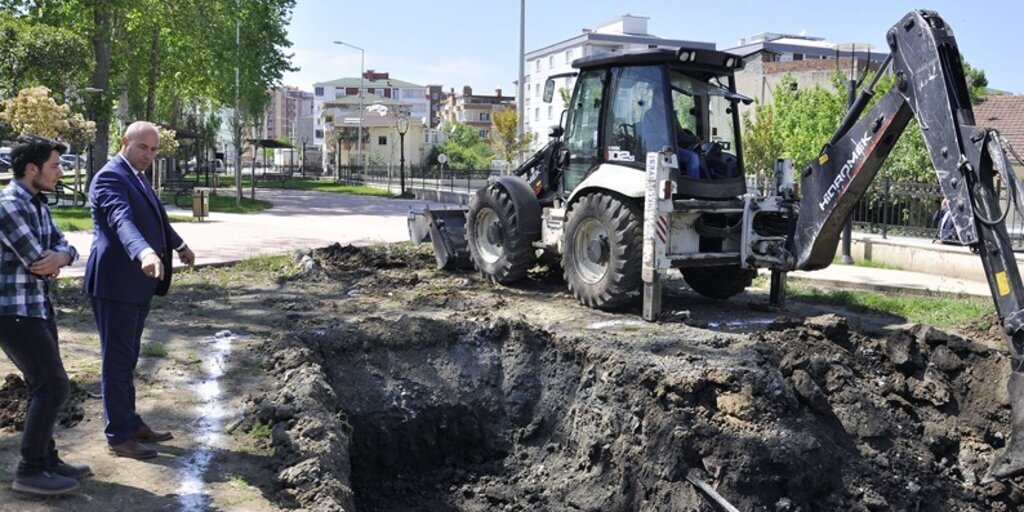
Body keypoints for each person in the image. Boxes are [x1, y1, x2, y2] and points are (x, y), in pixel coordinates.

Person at [86, 121, 195, 460]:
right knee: (117, 361)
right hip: (116, 282)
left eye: (153, 150)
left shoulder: (136, 175)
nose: (148, 155)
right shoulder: (110, 177)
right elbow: (122, 221)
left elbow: (156, 216)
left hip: (138, 285)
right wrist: (144, 251)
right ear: (125, 142)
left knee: (128, 357)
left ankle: (130, 423)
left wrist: (179, 244)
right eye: (142, 148)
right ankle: (119, 435)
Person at [0, 137, 90, 495]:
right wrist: (57, 257)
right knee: (51, 385)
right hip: (13, 311)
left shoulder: (37, 204)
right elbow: (38, 261)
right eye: (55, 166)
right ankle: (30, 470)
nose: (61, 172)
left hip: (37, 307)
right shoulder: (8, 205)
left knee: (49, 384)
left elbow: (65, 246)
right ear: (31, 169)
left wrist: (63, 256)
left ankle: (47, 459)